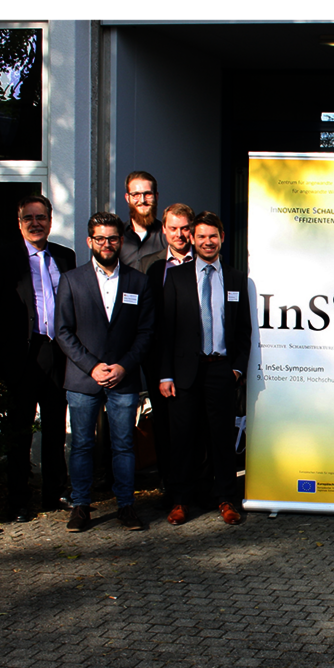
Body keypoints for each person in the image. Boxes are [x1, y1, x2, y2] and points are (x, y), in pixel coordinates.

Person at [55, 212, 155, 533]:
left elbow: (146, 331)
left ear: (120, 241)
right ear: (89, 241)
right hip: (84, 379)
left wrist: (124, 365)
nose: (107, 244)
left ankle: (126, 505)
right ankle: (81, 506)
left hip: (124, 378)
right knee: (82, 444)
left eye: (112, 238)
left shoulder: (138, 281)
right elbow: (63, 331)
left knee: (124, 445)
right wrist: (92, 366)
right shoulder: (72, 280)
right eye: (100, 238)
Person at [0, 194, 76, 522]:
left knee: (54, 427)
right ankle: (19, 500)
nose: (35, 224)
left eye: (41, 218)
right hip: (21, 355)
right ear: (19, 222)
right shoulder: (1, 257)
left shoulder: (66, 256)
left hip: (56, 354)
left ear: (50, 222)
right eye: (28, 218)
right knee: (20, 430)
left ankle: (54, 493)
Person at [159, 211, 251, 526]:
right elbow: (164, 330)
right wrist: (166, 373)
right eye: (201, 236)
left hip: (221, 371)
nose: (207, 242)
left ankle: (226, 499)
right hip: (185, 372)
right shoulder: (176, 277)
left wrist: (237, 369)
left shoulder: (237, 278)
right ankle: (180, 500)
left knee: (222, 439)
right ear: (192, 240)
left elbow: (243, 330)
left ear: (222, 238)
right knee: (183, 439)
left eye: (213, 236)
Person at [141, 203, 195, 493]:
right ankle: (168, 483)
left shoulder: (204, 261)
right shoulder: (149, 266)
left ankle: (197, 484)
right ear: (163, 230)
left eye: (184, 228)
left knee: (194, 424)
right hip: (157, 357)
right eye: (173, 228)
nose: (179, 234)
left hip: (194, 357)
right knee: (162, 423)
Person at [119, 171, 166, 273]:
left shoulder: (167, 236)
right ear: (127, 198)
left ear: (156, 196)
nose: (142, 200)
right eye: (136, 194)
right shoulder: (117, 236)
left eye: (148, 194)